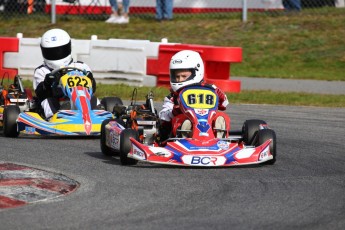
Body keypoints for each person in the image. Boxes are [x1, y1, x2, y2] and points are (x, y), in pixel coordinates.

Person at [158, 50, 229, 143]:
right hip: (178, 136)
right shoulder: (173, 96)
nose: (179, 80)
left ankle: (220, 135)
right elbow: (162, 116)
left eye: (184, 76)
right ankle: (185, 134)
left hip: (209, 126)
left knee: (221, 116)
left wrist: (219, 94)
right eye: (177, 76)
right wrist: (174, 112)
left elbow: (224, 104)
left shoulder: (210, 90)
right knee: (182, 119)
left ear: (196, 71)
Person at [33, 28, 96, 120]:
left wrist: (91, 80)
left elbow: (92, 89)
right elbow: (40, 94)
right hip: (57, 102)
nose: (57, 54)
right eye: (52, 52)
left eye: (60, 50)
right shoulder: (42, 71)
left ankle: (97, 114)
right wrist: (47, 83)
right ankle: (54, 118)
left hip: (80, 97)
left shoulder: (81, 66)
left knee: (93, 98)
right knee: (47, 100)